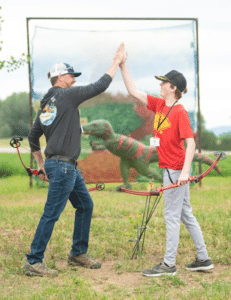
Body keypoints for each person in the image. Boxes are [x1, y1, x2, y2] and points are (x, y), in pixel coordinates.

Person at [23, 43, 125, 277]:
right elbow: (100, 85)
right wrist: (116, 62)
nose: (75, 79)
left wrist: (40, 163)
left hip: (61, 166)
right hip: (63, 167)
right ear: (60, 77)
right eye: (72, 75)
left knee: (85, 205)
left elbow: (32, 135)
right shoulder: (68, 95)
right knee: (51, 213)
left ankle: (78, 253)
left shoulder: (46, 104)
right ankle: (34, 260)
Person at [119, 52, 214, 277]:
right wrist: (123, 65)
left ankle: (168, 265)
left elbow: (190, 144)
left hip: (175, 170)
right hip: (170, 169)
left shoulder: (180, 112)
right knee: (185, 214)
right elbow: (133, 92)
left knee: (171, 216)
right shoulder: (160, 105)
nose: (160, 85)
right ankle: (203, 258)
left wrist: (183, 172)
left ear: (173, 88)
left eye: (164, 83)